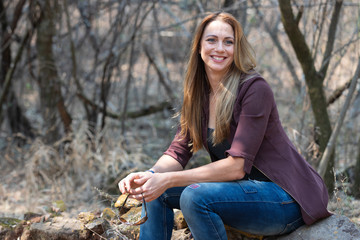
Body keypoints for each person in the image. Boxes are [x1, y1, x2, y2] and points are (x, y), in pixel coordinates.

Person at [118, 11, 331, 240]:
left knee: (194, 196)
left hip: (282, 198)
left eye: (228, 42)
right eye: (211, 40)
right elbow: (178, 152)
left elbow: (235, 167)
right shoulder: (199, 95)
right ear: (199, 47)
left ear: (236, 49)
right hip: (240, 193)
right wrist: (150, 176)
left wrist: (167, 179)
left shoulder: (254, 89)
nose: (220, 48)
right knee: (154, 192)